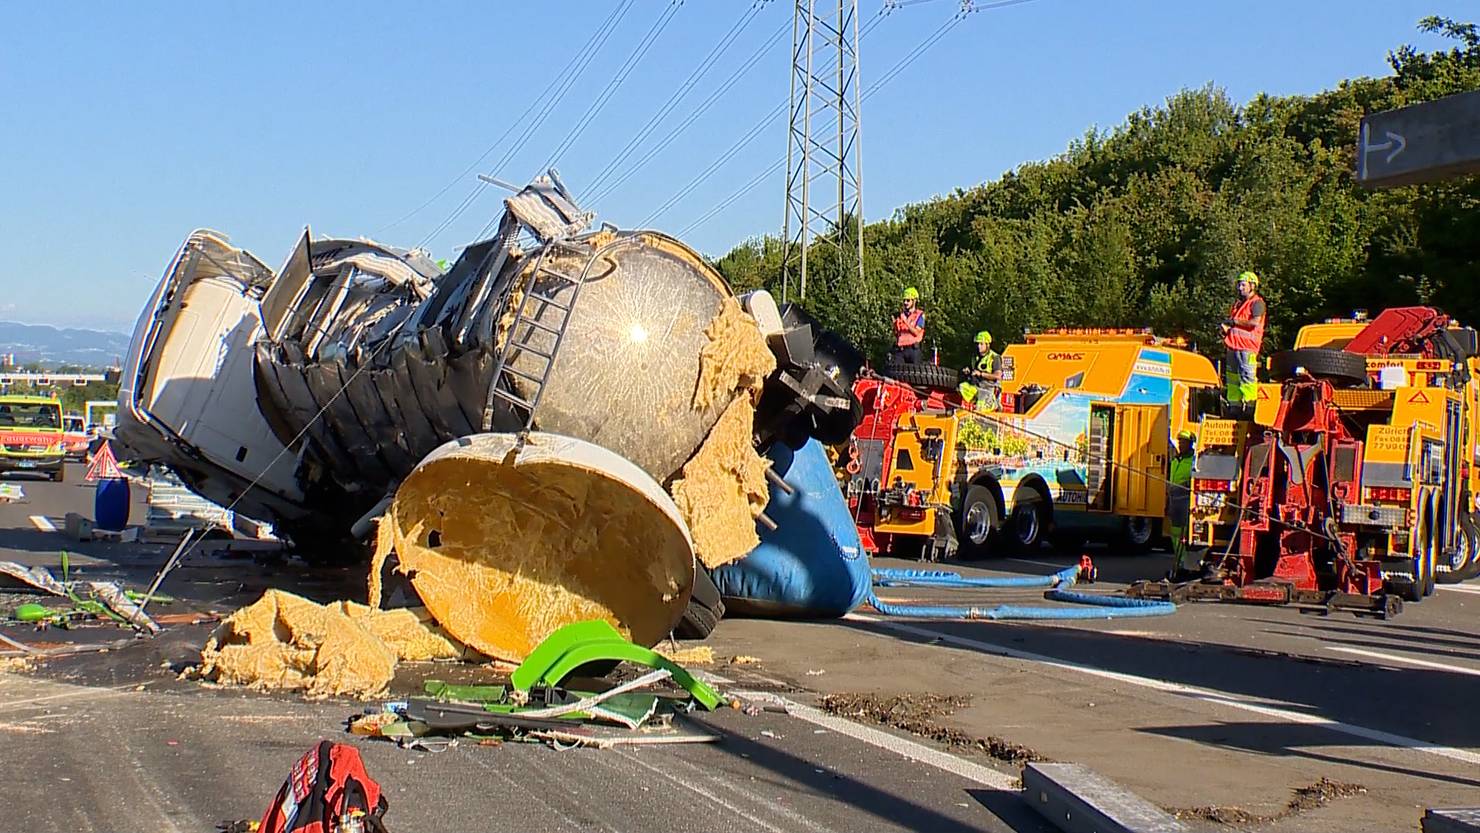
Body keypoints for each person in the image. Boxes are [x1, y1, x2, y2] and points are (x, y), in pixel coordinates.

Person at [1220, 271, 1266, 409]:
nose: (1240, 288)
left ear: (1252, 286)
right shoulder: (1238, 304)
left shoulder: (1257, 303)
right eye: (1239, 284)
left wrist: (1235, 321)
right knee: (1232, 379)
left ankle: (1250, 406)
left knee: (1248, 378)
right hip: (1233, 346)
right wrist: (1225, 330)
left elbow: (1254, 323)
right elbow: (1235, 327)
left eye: (1243, 285)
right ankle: (1234, 406)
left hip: (1247, 348)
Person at [1166, 429, 1198, 581]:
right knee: (1174, 533)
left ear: (1190, 443)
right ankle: (1179, 562)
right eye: (1179, 441)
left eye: (1183, 441)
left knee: (1185, 534)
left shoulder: (1193, 460)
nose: (1181, 444)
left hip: (1185, 498)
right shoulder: (1175, 459)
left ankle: (1186, 564)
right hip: (1173, 498)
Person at [958, 330, 1003, 411]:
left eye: (981, 344)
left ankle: (993, 403)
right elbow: (974, 372)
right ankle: (975, 402)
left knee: (981, 406)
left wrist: (981, 374)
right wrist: (968, 372)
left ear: (987, 344)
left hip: (989, 389)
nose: (979, 346)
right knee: (962, 387)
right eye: (978, 344)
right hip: (977, 387)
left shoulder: (995, 357)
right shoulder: (975, 357)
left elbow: (997, 376)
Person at [891, 287, 926, 364]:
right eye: (904, 300)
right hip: (901, 350)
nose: (905, 303)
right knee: (896, 372)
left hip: (913, 350)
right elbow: (898, 335)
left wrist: (906, 321)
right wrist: (894, 325)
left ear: (914, 301)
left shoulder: (919, 315)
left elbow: (916, 332)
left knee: (915, 373)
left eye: (908, 300)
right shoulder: (901, 316)